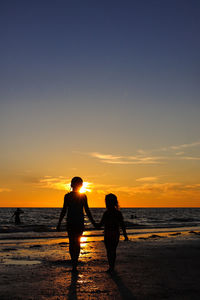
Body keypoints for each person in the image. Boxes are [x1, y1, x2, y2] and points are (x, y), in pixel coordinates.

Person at [57, 176, 96, 272]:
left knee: (72, 242)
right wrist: (94, 222)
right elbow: (87, 211)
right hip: (78, 222)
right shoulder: (81, 196)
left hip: (71, 222)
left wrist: (59, 223)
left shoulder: (69, 196)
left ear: (72, 185)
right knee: (77, 242)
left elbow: (64, 211)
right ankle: (75, 263)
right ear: (81, 185)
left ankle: (74, 263)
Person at [97, 193, 128, 273]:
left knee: (109, 251)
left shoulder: (106, 213)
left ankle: (111, 267)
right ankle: (112, 267)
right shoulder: (118, 213)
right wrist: (125, 235)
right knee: (113, 250)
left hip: (108, 234)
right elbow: (122, 225)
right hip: (115, 234)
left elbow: (100, 225)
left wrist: (94, 224)